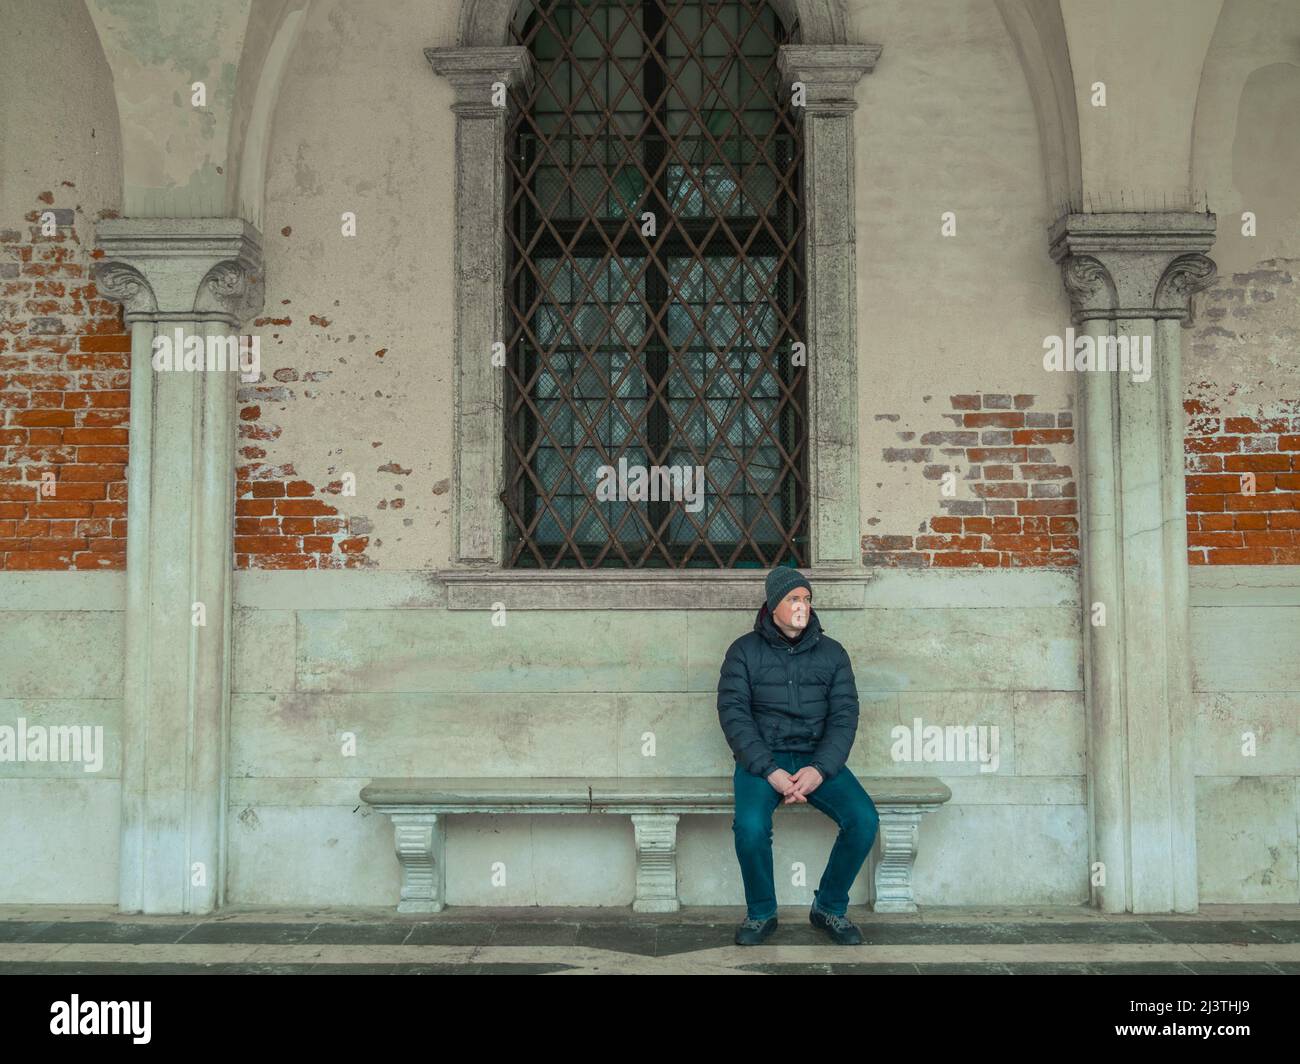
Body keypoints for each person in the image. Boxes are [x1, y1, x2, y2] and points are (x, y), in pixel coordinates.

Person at [716, 565, 879, 945]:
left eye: (806, 599)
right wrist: (769, 770)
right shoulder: (743, 652)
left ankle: (829, 908)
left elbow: (844, 717)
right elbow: (734, 715)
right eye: (793, 598)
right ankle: (761, 912)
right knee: (751, 828)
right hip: (762, 762)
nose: (802, 606)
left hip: (817, 760)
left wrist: (820, 769)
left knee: (863, 819)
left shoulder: (833, 653)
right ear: (773, 605)